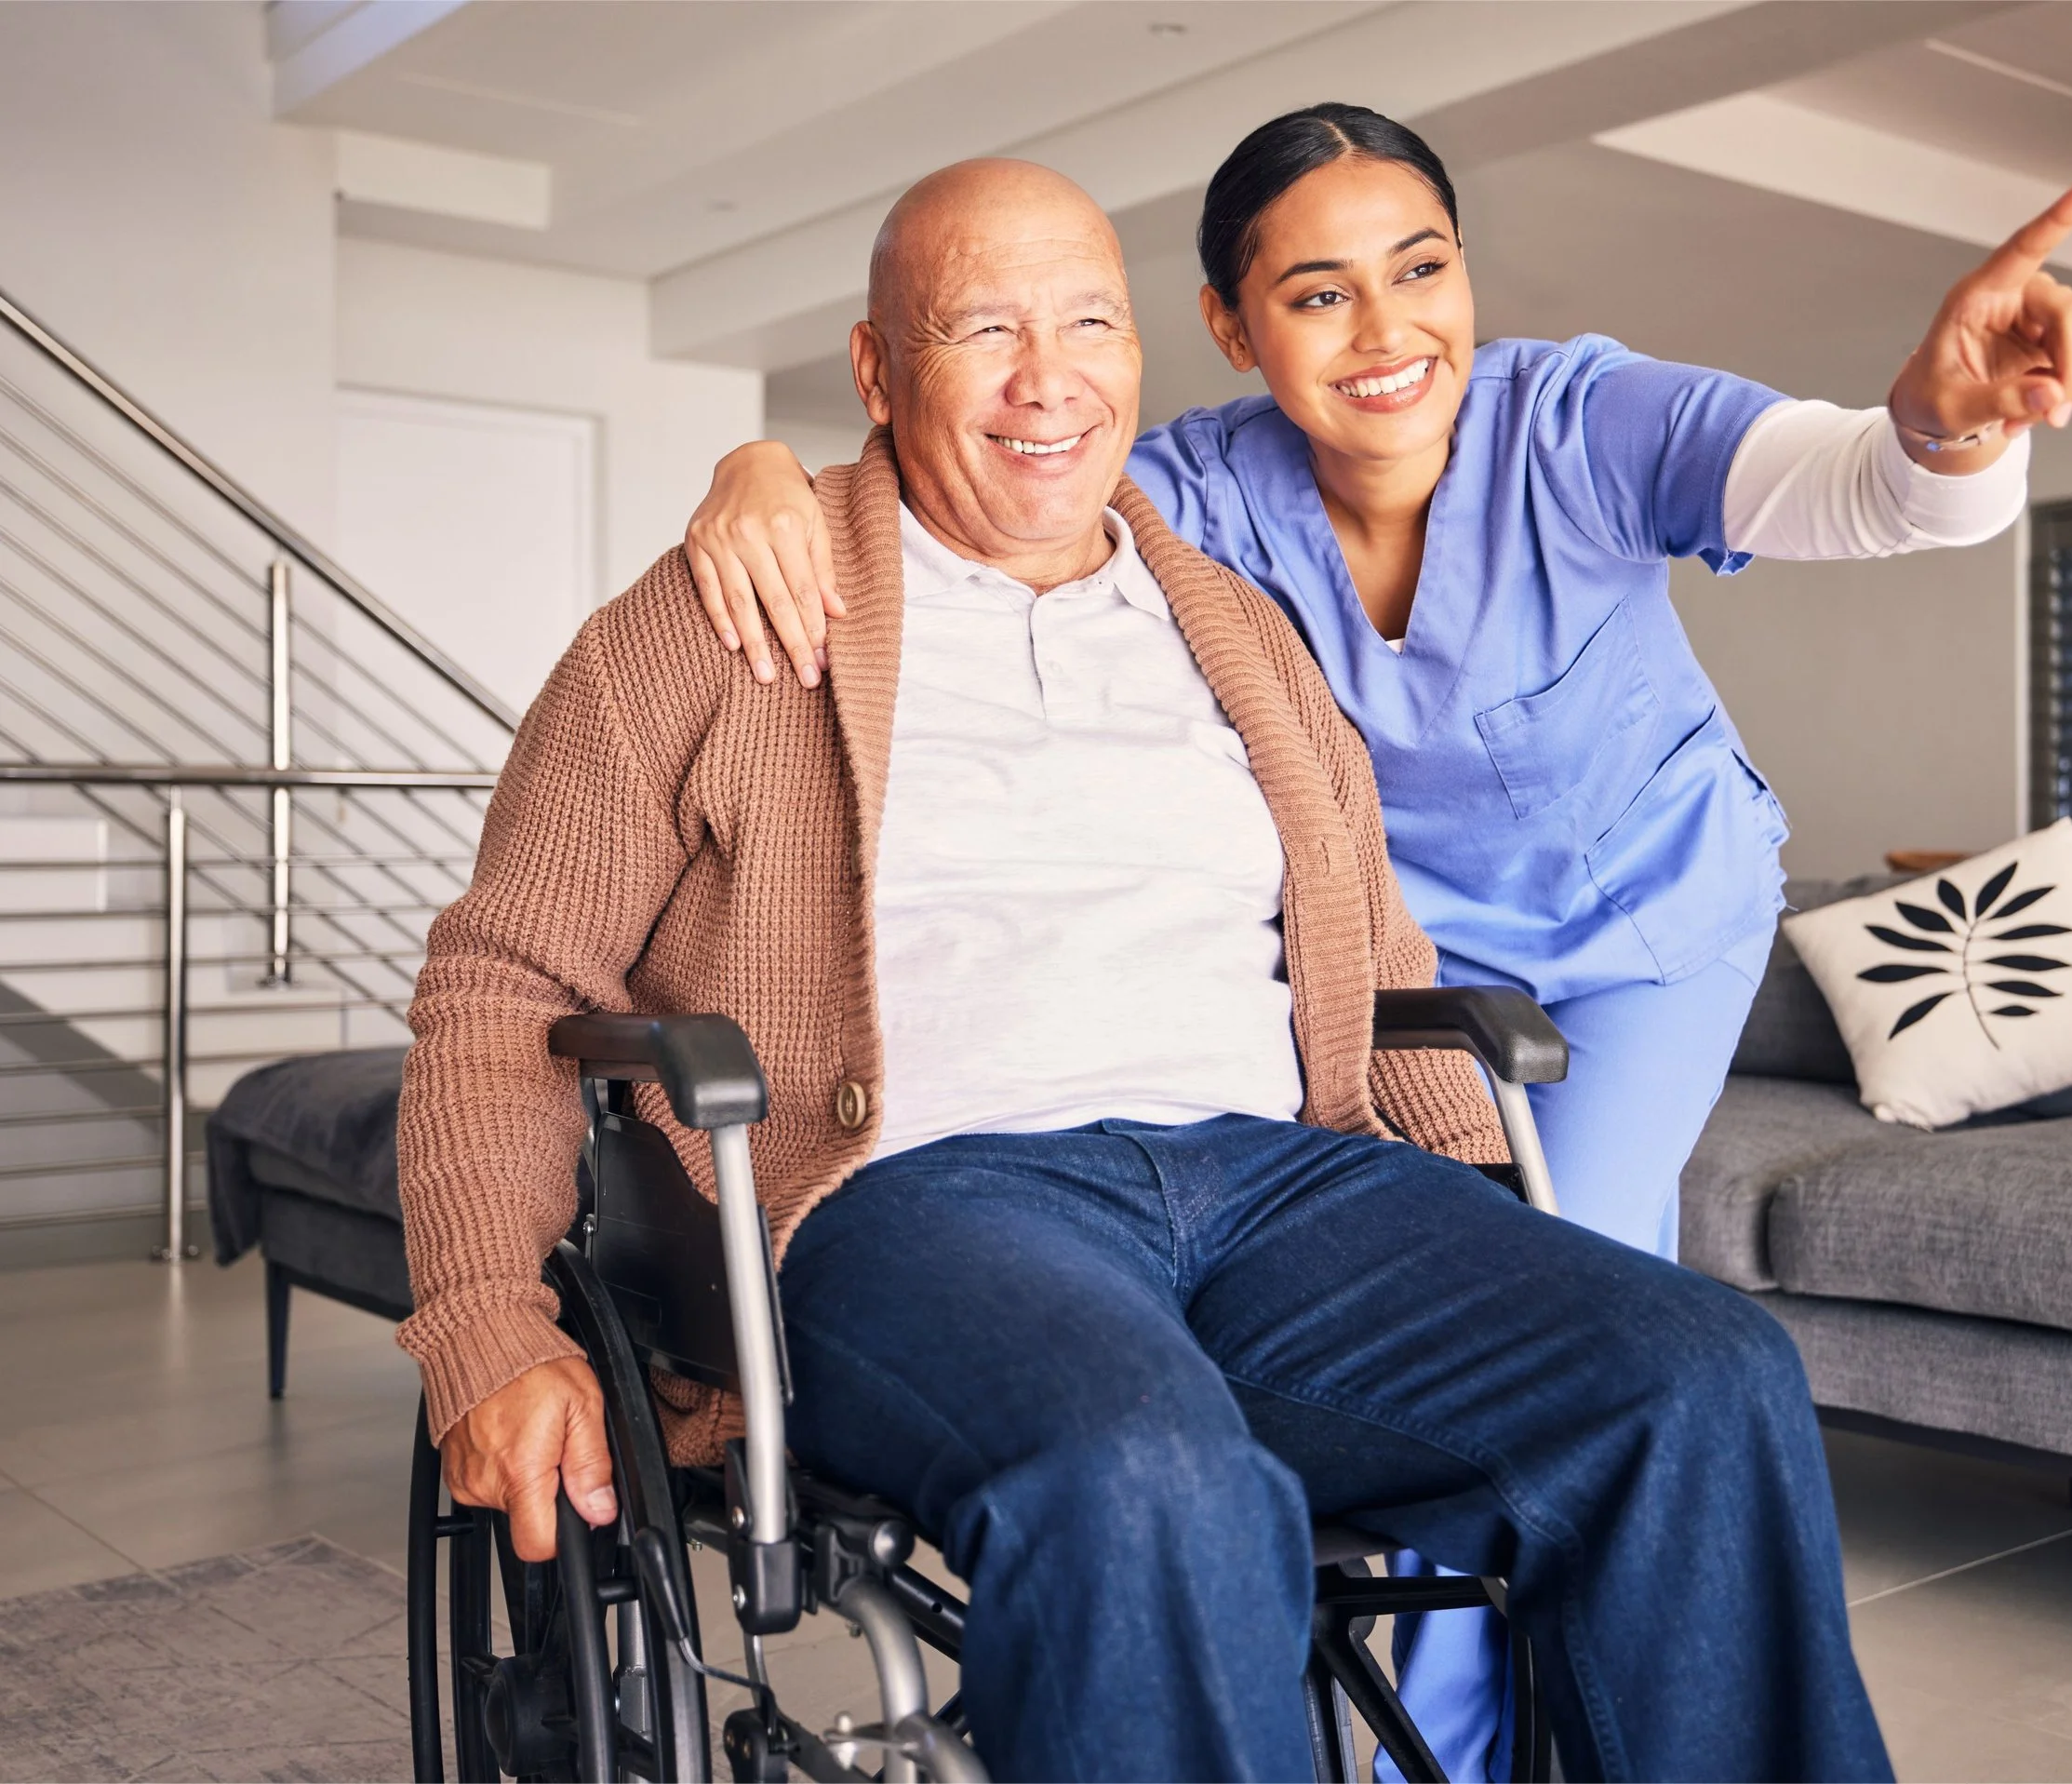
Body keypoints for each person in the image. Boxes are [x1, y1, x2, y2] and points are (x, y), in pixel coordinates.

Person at [400, 157, 1892, 1782]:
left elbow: (1372, 949)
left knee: (1699, 1377)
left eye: (1090, 323)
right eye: (985, 329)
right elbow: (504, 979)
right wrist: (488, 1313)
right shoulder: (719, 618)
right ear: (879, 371)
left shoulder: (1233, 626)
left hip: (1279, 1185)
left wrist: (1476, 1216)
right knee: (1147, 1470)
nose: (1051, 379)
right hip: (922, 1197)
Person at [682, 107, 2072, 1777]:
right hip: (1409, 956)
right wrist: (752, 467)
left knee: (1613, 1312)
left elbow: (1857, 486)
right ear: (1229, 328)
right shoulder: (1195, 490)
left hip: (1646, 929)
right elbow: (979, 470)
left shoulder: (1577, 420)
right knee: (1420, 1363)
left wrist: (1947, 430)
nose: (1385, 332)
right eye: (1316, 293)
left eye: (1419, 270)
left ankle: (1475, 1748)